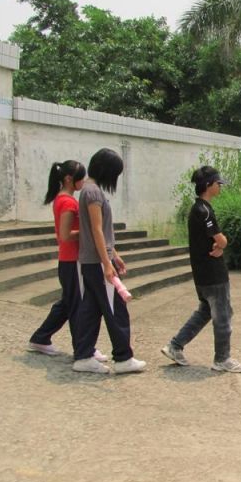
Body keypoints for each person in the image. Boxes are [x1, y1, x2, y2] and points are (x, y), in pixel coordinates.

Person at [161, 166, 241, 373]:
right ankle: (222, 359)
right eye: (218, 183)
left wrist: (219, 245)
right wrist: (222, 244)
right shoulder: (205, 210)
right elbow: (221, 239)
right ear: (208, 185)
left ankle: (175, 346)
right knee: (223, 316)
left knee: (205, 311)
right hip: (213, 273)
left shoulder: (197, 208)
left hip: (201, 273)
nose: (220, 187)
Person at [72, 148, 145, 374]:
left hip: (91, 260)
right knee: (116, 309)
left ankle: (83, 355)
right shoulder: (94, 193)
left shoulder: (88, 190)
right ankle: (123, 358)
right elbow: (96, 229)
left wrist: (114, 255)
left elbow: (101, 231)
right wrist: (107, 262)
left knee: (91, 310)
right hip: (97, 261)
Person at [27, 160, 107, 363]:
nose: (84, 181)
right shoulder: (68, 202)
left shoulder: (63, 199)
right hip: (72, 260)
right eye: (81, 177)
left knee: (68, 303)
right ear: (69, 179)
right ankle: (84, 348)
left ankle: (41, 338)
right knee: (77, 306)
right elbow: (64, 235)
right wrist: (87, 232)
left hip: (68, 260)